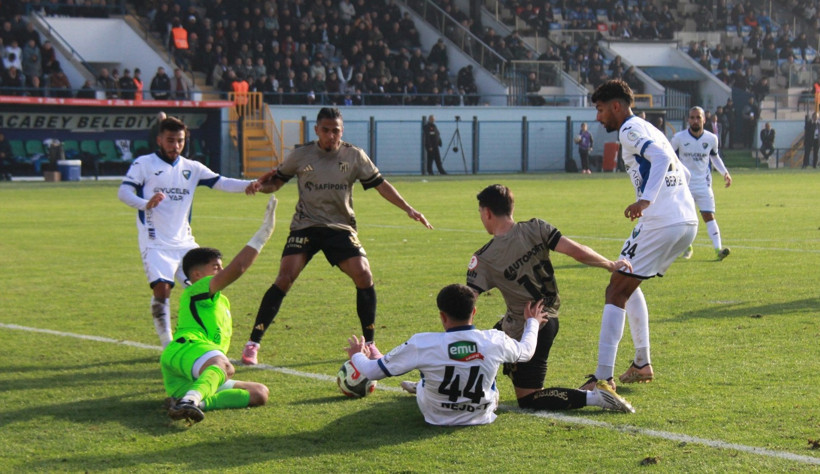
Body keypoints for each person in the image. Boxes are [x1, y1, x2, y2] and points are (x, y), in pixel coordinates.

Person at [241, 107, 433, 365]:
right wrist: (260, 186)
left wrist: (408, 208)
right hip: (305, 226)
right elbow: (276, 180)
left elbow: (381, 185)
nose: (331, 135)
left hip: (340, 227)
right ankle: (253, 343)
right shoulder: (301, 155)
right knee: (284, 278)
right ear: (317, 130)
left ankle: (371, 344)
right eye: (326, 130)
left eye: (336, 130)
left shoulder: (354, 155)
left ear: (342, 131)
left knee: (364, 274)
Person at [345, 284, 633, 426]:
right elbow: (526, 352)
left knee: (424, 374)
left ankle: (414, 380)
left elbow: (370, 373)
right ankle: (596, 397)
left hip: (435, 415)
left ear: (442, 316)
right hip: (482, 414)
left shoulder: (423, 343)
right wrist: (531, 322)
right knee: (484, 381)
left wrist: (359, 355)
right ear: (474, 312)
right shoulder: (493, 339)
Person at [465, 184, 635, 413]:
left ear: (487, 213)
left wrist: (452, 334)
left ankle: (596, 397)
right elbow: (576, 250)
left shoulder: (484, 258)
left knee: (529, 399)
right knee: (486, 344)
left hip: (526, 328)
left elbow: (466, 302)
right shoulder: (536, 227)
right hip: (544, 319)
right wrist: (609, 264)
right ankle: (444, 383)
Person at [586, 80, 698, 390]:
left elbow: (662, 160)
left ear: (616, 107)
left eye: (600, 109)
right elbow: (681, 171)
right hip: (685, 221)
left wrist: (647, 200)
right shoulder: (653, 130)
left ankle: (602, 379)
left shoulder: (628, 130)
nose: (599, 117)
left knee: (615, 290)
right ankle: (641, 363)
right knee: (628, 278)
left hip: (661, 221)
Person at [118, 116, 256, 347]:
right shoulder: (144, 164)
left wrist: (250, 184)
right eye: (170, 140)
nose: (175, 146)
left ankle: (204, 337)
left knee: (204, 290)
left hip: (185, 243)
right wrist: (145, 203)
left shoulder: (192, 168)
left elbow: (221, 182)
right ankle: (167, 344)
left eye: (179, 141)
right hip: (155, 242)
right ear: (160, 140)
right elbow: (124, 192)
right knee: (162, 288)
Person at [162, 196, 278, 423]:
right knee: (224, 365)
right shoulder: (196, 290)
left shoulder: (220, 301)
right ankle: (191, 399)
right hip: (186, 350)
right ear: (196, 275)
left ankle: (190, 401)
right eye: (216, 267)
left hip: (197, 369)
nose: (221, 271)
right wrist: (264, 233)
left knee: (259, 393)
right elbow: (239, 268)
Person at [670, 106, 732, 261]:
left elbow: (714, 157)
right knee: (683, 219)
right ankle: (687, 247)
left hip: (704, 185)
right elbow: (669, 157)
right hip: (684, 185)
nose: (695, 120)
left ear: (704, 119)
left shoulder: (711, 139)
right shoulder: (679, 138)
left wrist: (725, 173)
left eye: (698, 117)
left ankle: (718, 249)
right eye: (692, 117)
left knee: (709, 216)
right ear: (688, 120)